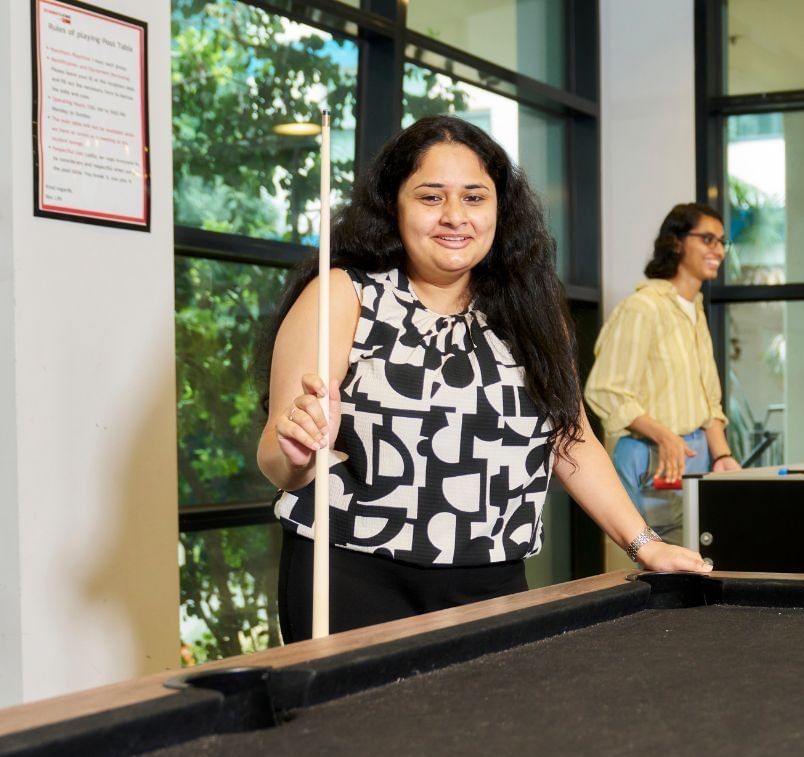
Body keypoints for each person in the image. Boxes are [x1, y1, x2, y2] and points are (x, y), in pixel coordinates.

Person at [257, 116, 710, 642]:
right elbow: (276, 454)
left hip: (492, 581)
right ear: (393, 206)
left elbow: (571, 439)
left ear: (500, 208)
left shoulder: (533, 314)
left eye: (474, 198)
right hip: (353, 578)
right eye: (431, 198)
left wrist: (645, 545)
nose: (455, 216)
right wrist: (294, 452)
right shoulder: (344, 295)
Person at [584, 203, 741, 541]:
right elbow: (605, 389)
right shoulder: (642, 308)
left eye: (721, 242)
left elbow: (707, 399)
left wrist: (723, 454)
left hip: (693, 456)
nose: (718, 250)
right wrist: (665, 435)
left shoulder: (694, 310)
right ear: (677, 242)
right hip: (652, 456)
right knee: (661, 570)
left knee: (692, 562)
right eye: (708, 239)